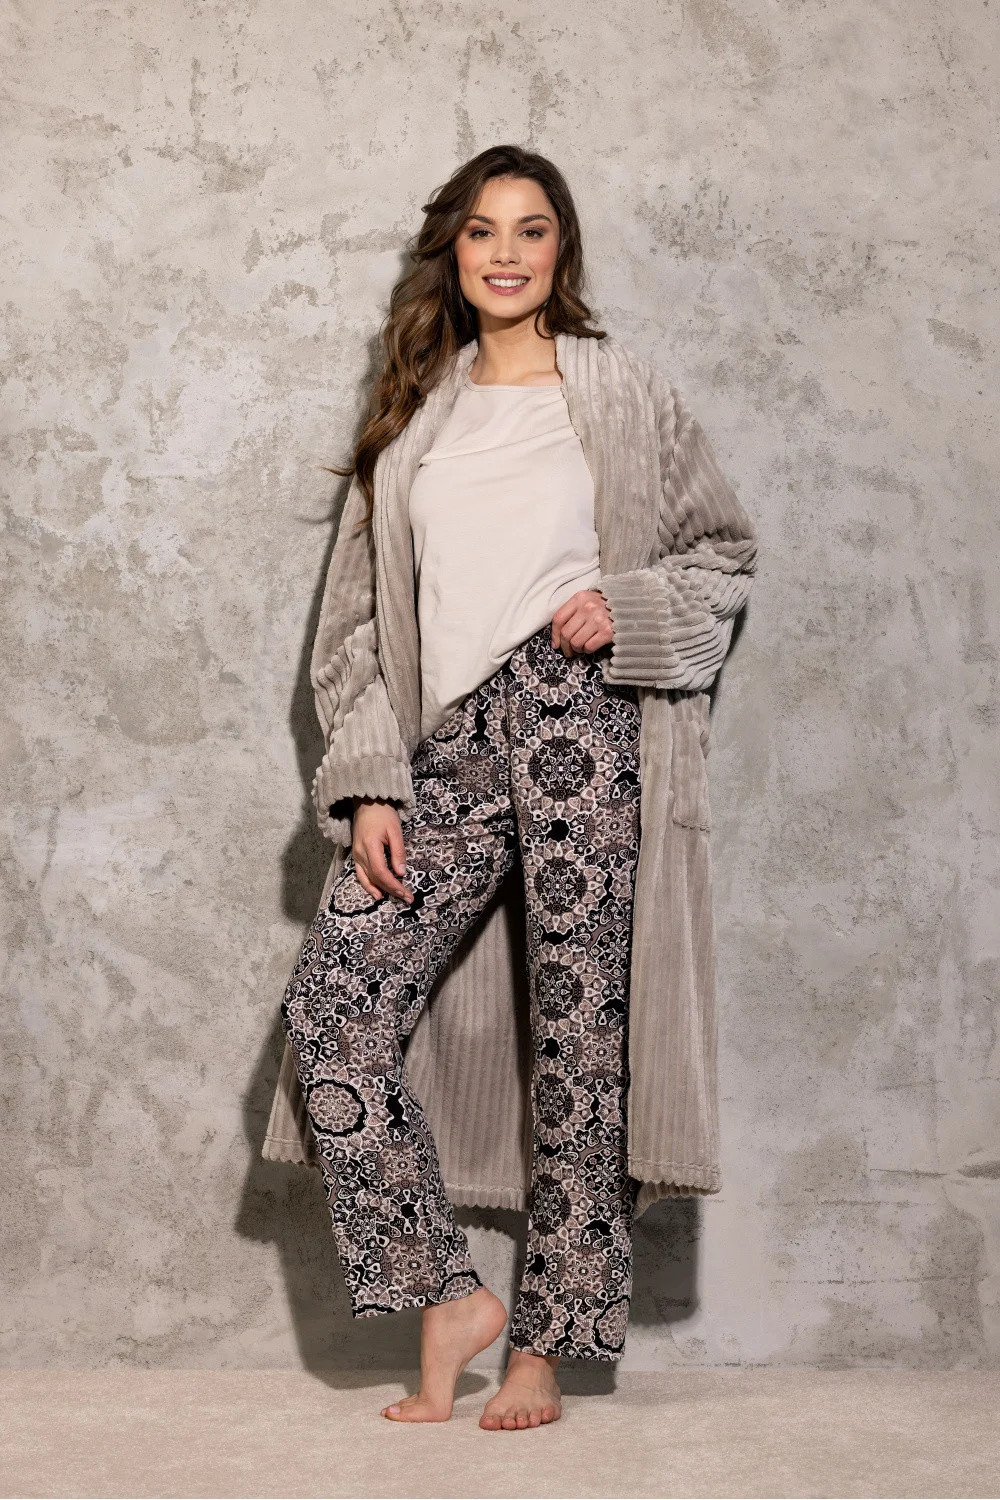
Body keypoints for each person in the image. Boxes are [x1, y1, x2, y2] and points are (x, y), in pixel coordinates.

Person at [278, 144, 756, 1431]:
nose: (505, 253)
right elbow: (353, 632)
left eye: (530, 230)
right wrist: (371, 785)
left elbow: (723, 554)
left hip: (578, 716)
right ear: (454, 251)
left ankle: (548, 1346)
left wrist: (630, 607)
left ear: (560, 250)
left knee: (579, 1044)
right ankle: (446, 1292)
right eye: (483, 231)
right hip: (444, 745)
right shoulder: (411, 418)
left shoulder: (619, 389)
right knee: (333, 1015)